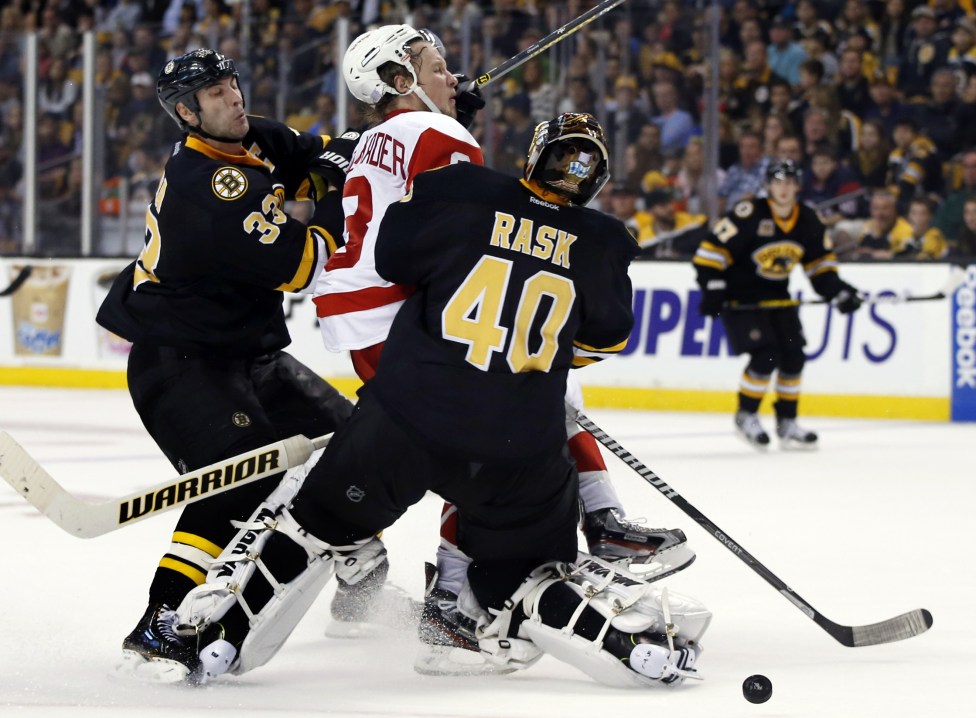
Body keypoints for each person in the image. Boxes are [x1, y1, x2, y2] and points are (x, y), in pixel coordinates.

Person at [170, 112, 711, 688]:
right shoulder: (604, 241)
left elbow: (394, 260)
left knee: (313, 528)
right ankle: (629, 646)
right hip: (517, 451)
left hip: (404, 421)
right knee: (529, 573)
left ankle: (217, 638)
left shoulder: (462, 191)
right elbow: (604, 340)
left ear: (533, 156)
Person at [312, 25, 693, 662]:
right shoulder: (439, 134)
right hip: (397, 307)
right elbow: (475, 221)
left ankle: (577, 527)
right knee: (507, 414)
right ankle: (506, 569)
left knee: (498, 418)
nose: (453, 80)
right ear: (399, 83)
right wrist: (457, 127)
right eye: (437, 69)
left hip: (362, 312)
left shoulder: (379, 138)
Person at [95, 48, 360, 681]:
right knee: (242, 478)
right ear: (186, 113)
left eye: (232, 83)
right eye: (214, 93)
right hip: (181, 363)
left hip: (249, 357)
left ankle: (358, 577)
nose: (233, 97)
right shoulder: (208, 183)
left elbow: (333, 148)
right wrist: (324, 185)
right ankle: (159, 623)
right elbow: (303, 263)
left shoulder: (253, 136)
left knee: (358, 444)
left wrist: (415, 117)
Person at [693, 158, 864, 450]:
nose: (783, 189)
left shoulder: (808, 219)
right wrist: (714, 287)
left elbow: (819, 265)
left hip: (778, 298)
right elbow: (710, 253)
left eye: (789, 183)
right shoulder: (749, 214)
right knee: (766, 355)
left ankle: (787, 423)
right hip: (743, 299)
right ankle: (746, 415)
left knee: (794, 356)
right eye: (777, 182)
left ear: (797, 186)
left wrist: (838, 290)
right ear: (768, 186)